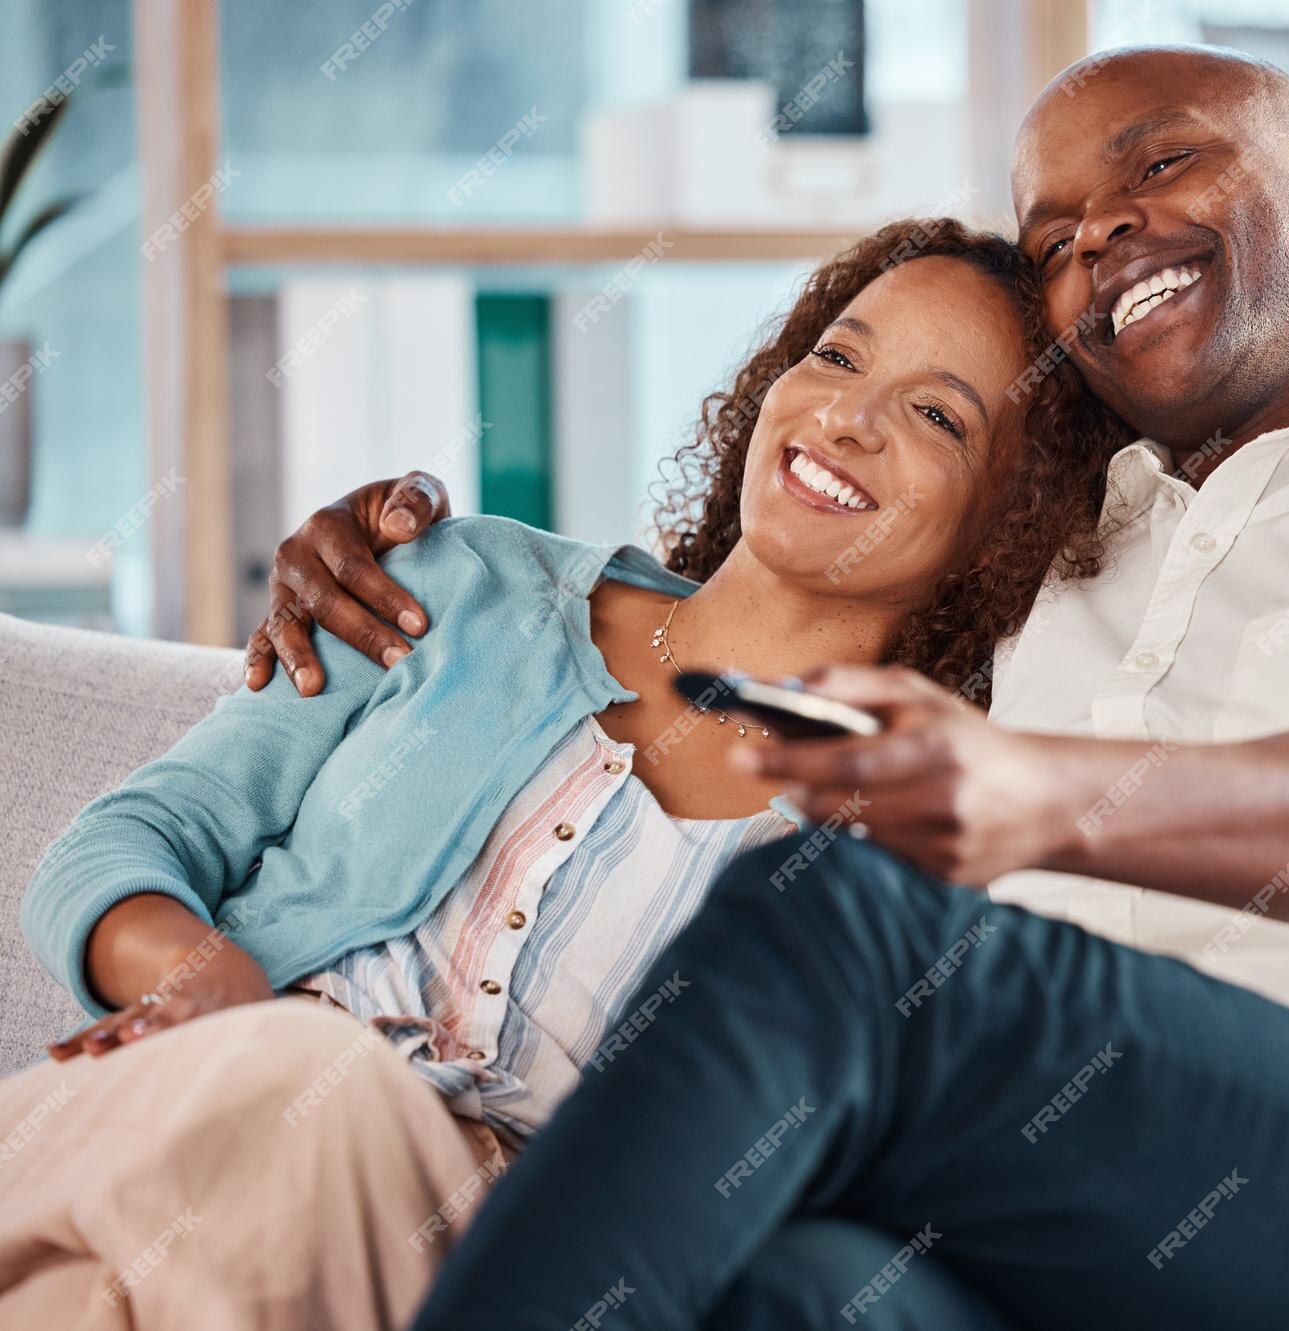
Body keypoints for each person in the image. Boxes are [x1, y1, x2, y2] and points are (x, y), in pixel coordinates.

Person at [258, 47, 1289, 1331]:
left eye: (1158, 166)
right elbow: (743, 594)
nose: (1099, 239)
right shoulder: (1056, 553)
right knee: (786, 1285)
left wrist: (1038, 795)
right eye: (1051, 238)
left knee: (831, 909)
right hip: (1082, 1224)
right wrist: (429, 567)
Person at [0, 219, 1127, 1331]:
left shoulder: (894, 853)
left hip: (475, 1260)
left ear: (1004, 525)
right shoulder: (459, 582)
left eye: (936, 414)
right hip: (206, 1093)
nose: (848, 415)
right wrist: (205, 980)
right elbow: (126, 839)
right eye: (836, 354)